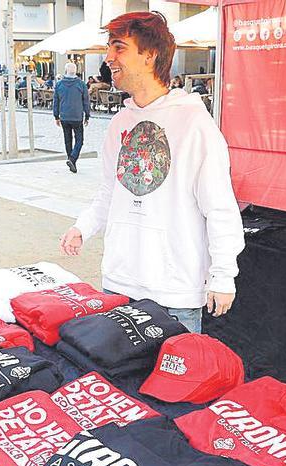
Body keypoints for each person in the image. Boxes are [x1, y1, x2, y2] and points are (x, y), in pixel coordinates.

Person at [59, 12, 244, 334]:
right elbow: (110, 190)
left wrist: (224, 274)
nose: (108, 58)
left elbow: (220, 207)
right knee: (117, 380)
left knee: (174, 382)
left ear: (150, 55)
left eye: (119, 48)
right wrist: (83, 227)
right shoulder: (120, 122)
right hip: (119, 281)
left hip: (175, 290)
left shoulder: (194, 124)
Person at [53, 62, 89, 174]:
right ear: (76, 71)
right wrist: (87, 115)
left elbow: (56, 101)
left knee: (67, 140)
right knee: (79, 140)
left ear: (65, 71)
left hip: (64, 116)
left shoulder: (59, 84)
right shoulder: (81, 84)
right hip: (77, 116)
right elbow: (86, 101)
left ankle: (71, 159)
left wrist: (56, 115)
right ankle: (72, 159)